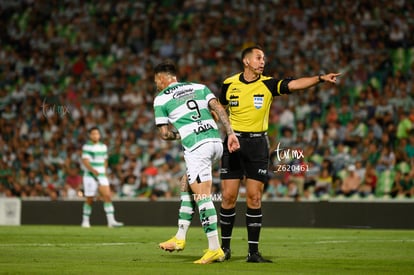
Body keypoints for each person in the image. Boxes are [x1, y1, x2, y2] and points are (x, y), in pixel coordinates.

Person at [218, 45, 340, 263]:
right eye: (258, 58)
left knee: (254, 198)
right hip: (233, 143)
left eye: (263, 58)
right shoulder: (229, 84)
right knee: (228, 197)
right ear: (246, 61)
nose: (262, 61)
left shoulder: (268, 83)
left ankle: (252, 253)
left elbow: (294, 84)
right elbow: (218, 108)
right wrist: (225, 131)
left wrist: (320, 78)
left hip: (257, 145)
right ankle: (224, 249)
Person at [153, 60, 240, 264]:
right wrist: (231, 134)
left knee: (202, 195)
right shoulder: (199, 87)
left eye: (156, 81)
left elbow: (164, 134)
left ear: (162, 78)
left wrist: (181, 134)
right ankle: (180, 237)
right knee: (186, 183)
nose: (156, 85)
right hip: (216, 142)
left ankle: (214, 248)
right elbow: (218, 108)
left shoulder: (160, 99)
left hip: (197, 147)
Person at [80, 127, 124, 228]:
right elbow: (85, 161)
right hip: (90, 176)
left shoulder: (103, 147)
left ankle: (111, 221)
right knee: (90, 199)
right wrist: (93, 170)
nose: (95, 135)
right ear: (90, 135)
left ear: (99, 135)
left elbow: (105, 160)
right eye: (93, 134)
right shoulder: (87, 147)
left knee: (107, 196)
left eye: (97, 134)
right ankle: (85, 221)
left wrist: (103, 171)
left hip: (101, 175)